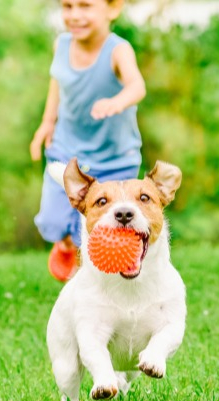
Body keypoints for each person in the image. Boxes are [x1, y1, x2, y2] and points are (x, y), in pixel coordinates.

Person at [31, 0, 146, 281]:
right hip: (67, 151)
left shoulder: (118, 50)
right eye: (67, 6)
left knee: (101, 230)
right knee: (52, 221)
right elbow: (57, 83)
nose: (75, 15)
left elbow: (137, 86)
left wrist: (117, 102)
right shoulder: (62, 45)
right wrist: (47, 123)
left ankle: (93, 280)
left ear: (113, 8)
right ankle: (65, 244)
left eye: (85, 6)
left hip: (115, 159)